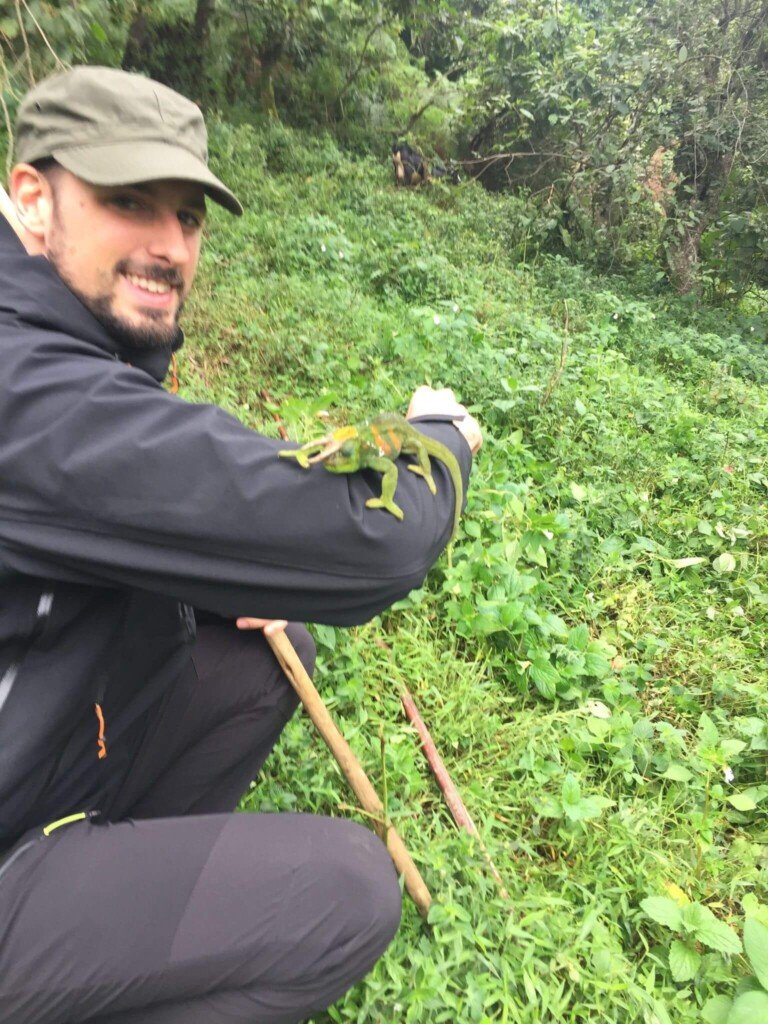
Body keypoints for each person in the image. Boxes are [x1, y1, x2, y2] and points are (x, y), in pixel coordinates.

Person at [0, 66, 482, 1024]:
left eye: (188, 216)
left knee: (269, 651)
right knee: (344, 893)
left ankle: (118, 906)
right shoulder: (31, 393)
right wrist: (438, 446)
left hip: (37, 746)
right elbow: (371, 540)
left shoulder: (65, 340)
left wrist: (217, 582)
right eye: (129, 201)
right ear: (32, 198)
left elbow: (102, 529)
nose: (169, 245)